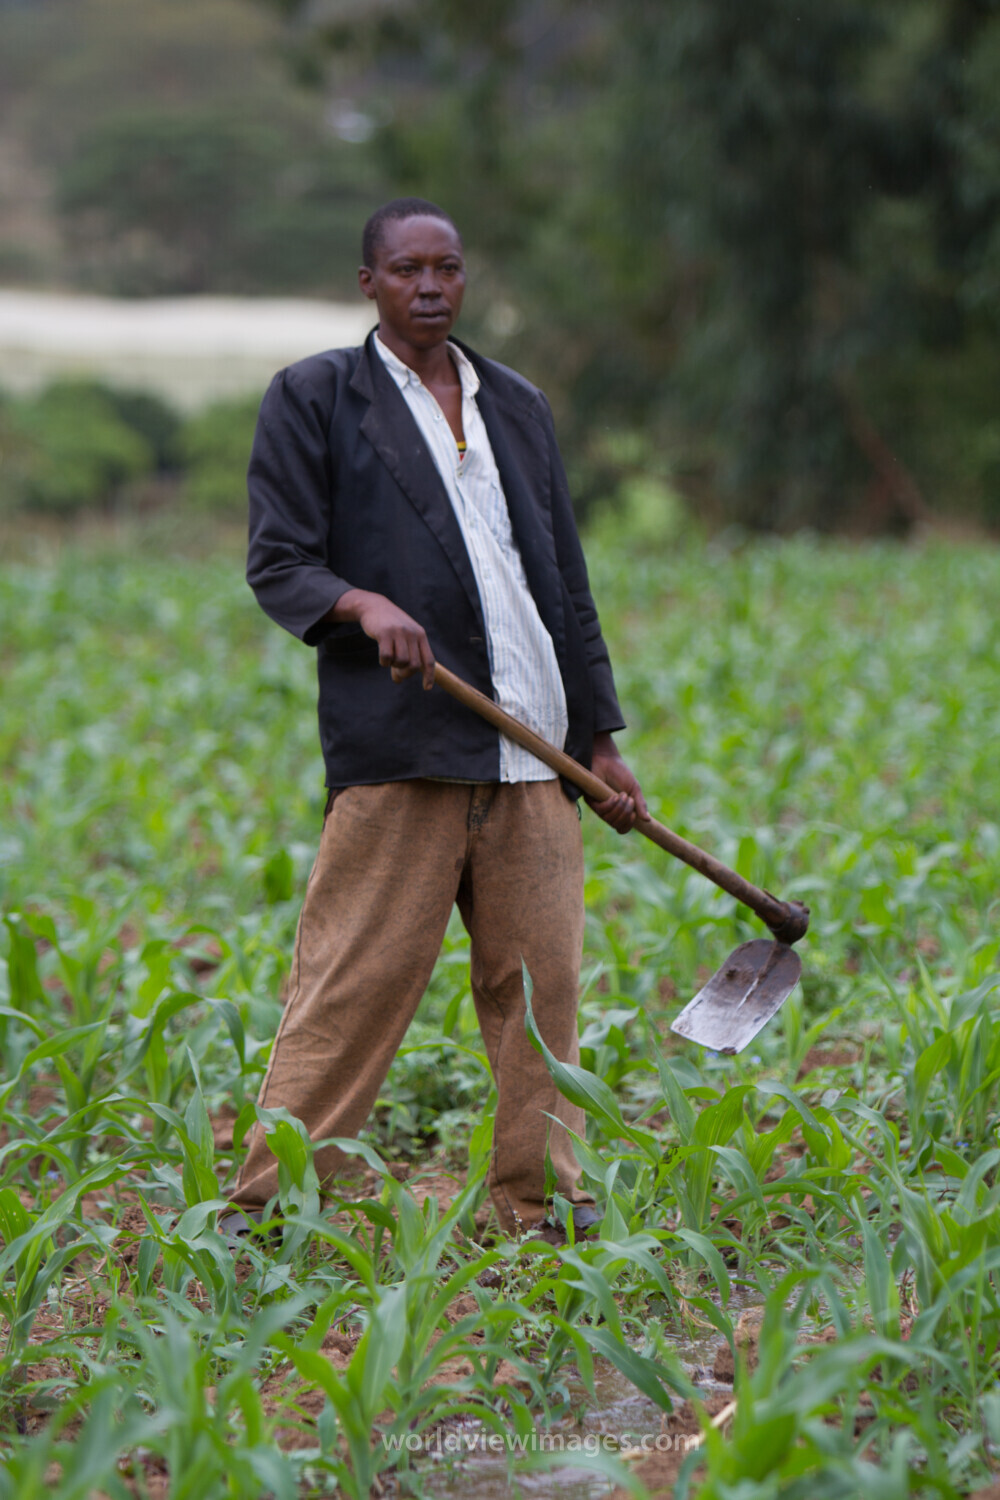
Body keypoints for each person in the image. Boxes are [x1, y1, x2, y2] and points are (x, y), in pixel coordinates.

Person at [224, 197, 646, 1242]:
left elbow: (564, 585)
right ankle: (272, 1207)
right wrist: (360, 604)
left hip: (534, 747)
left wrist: (596, 739)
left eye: (446, 269)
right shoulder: (318, 397)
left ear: (465, 280)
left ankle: (537, 1204)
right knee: (353, 982)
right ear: (367, 282)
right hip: (404, 746)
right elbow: (280, 561)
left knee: (540, 995)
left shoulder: (516, 403)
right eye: (406, 269)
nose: (429, 287)